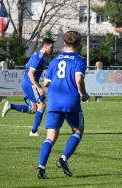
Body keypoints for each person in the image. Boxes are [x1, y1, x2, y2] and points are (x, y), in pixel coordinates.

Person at [36, 31, 89, 179]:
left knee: (50, 137)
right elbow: (79, 80)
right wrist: (84, 94)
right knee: (78, 131)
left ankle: (41, 167)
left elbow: (46, 82)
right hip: (70, 101)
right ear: (79, 45)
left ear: (64, 43)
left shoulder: (55, 60)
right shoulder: (79, 60)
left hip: (53, 101)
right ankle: (63, 159)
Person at [1, 38, 54, 136]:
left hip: (28, 83)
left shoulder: (40, 56)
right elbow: (30, 73)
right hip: (30, 84)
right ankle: (33, 132)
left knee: (33, 109)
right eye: (51, 47)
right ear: (45, 46)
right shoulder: (39, 57)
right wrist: (38, 87)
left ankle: (10, 106)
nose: (52, 49)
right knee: (42, 105)